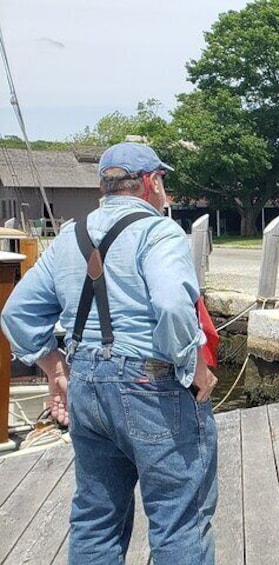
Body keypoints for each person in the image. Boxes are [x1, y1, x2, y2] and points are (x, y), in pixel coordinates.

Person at [0, 142, 218, 563]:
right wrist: (193, 366)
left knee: (96, 515)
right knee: (179, 517)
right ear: (152, 182)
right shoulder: (159, 231)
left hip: (86, 385)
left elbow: (17, 313)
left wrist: (54, 368)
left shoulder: (69, 237)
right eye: (163, 181)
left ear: (104, 186)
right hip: (151, 386)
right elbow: (173, 303)